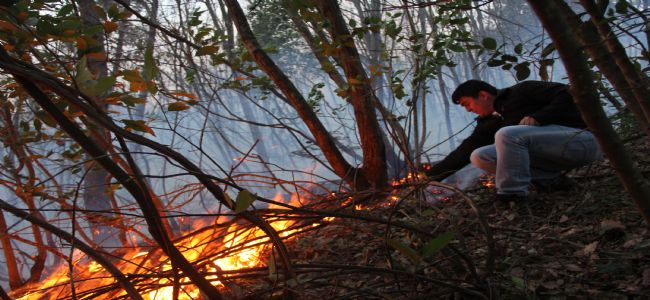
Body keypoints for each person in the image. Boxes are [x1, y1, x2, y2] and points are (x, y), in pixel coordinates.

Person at [425, 80, 602, 201]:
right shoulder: (490, 122)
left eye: (467, 103)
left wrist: (539, 116)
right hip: (555, 156)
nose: (468, 110)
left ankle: (511, 195)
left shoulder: (522, 91)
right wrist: (430, 176)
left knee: (507, 134)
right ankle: (550, 180)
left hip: (581, 140)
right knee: (479, 156)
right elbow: (463, 152)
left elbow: (567, 93)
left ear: (484, 95)